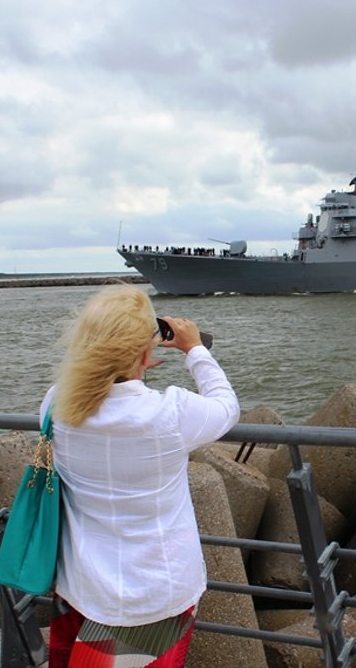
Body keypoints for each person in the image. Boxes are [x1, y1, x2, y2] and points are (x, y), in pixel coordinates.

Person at [42, 286, 239, 668]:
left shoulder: (55, 404)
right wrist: (195, 349)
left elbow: (100, 391)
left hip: (80, 585)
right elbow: (226, 406)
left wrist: (132, 361)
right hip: (152, 594)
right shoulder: (169, 412)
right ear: (145, 352)